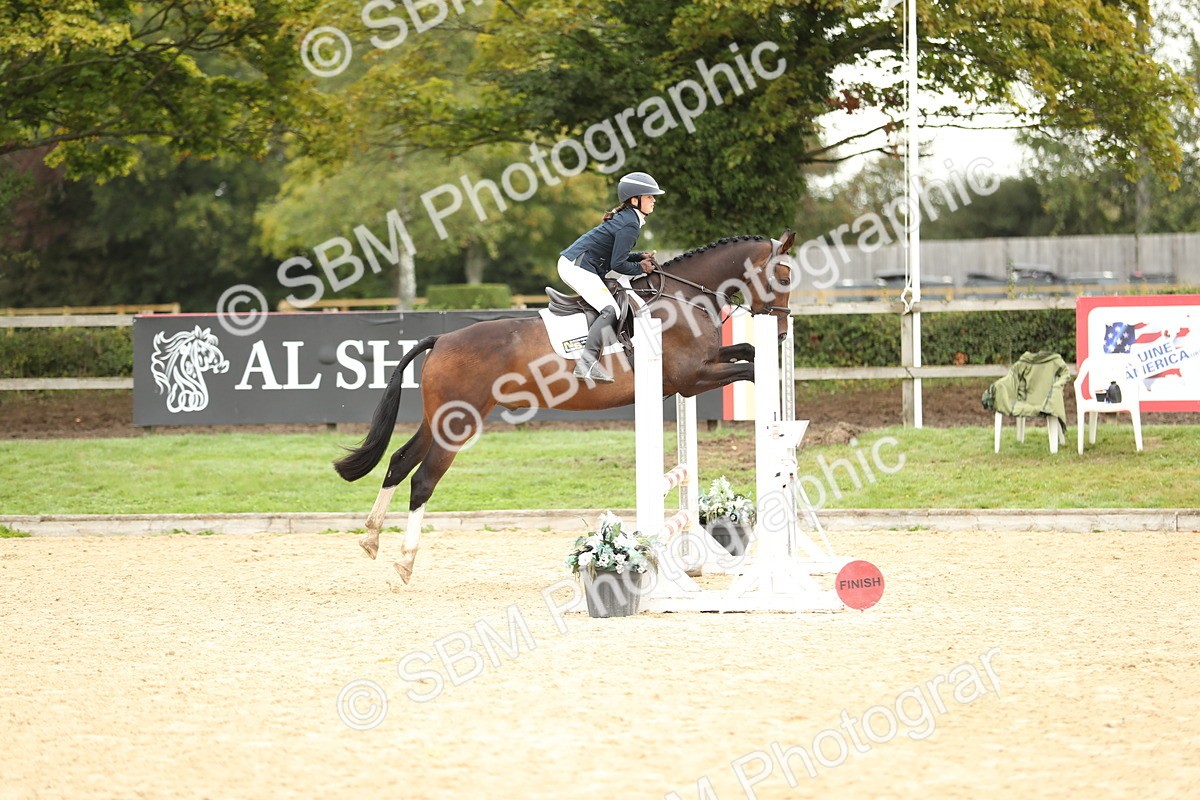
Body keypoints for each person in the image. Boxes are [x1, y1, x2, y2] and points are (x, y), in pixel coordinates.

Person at [558, 171, 665, 383]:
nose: (654, 199)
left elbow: (618, 256)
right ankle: (586, 363)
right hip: (576, 266)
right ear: (635, 200)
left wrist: (638, 257)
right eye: (649, 196)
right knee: (611, 310)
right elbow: (618, 264)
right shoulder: (630, 223)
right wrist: (642, 269)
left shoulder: (629, 219)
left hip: (581, 264)